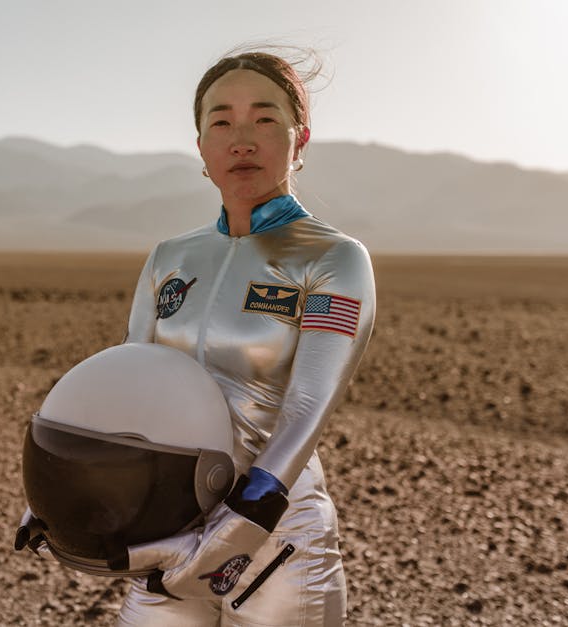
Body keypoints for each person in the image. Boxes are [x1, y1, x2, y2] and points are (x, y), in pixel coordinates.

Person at [115, 50, 376, 626]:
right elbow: (129, 384)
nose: (241, 139)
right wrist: (64, 485)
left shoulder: (334, 259)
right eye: (221, 121)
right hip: (169, 530)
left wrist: (246, 516)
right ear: (202, 148)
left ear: (299, 139)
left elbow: (310, 404)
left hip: (278, 542)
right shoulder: (170, 258)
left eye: (264, 119)